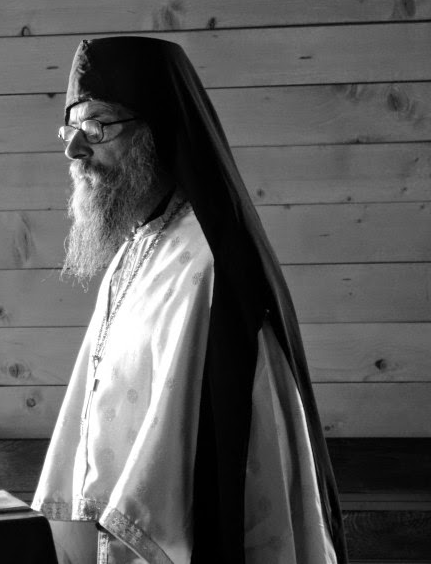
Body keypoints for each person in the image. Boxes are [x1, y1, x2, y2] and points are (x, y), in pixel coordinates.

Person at [32, 36, 346, 563]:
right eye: (71, 129)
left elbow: (222, 454)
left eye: (97, 127)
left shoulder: (207, 265)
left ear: (159, 131)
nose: (74, 149)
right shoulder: (136, 251)